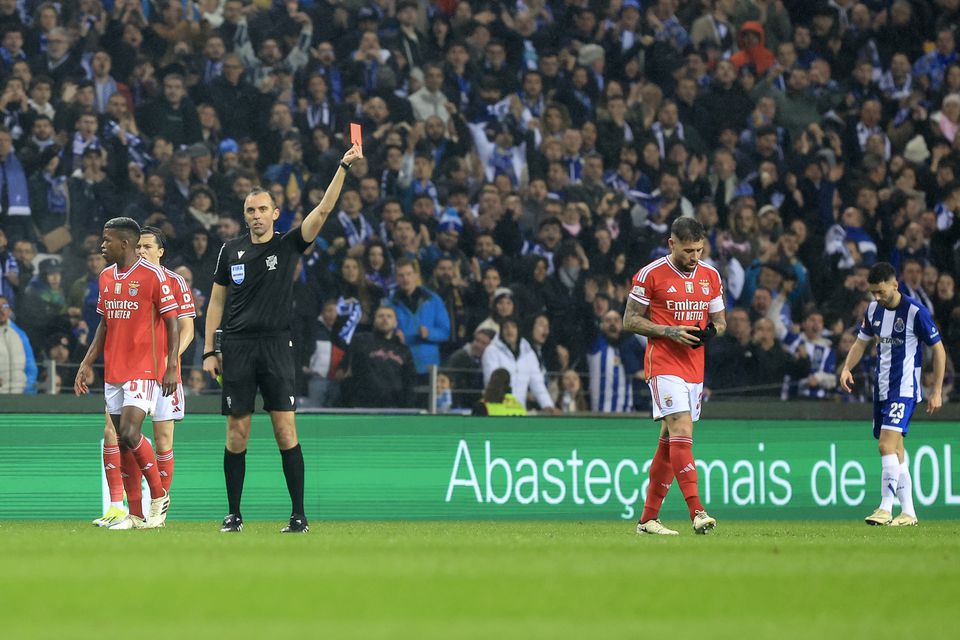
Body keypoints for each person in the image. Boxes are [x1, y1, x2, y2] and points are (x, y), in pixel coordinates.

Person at [202, 143, 362, 534]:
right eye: (250, 211)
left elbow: (323, 210)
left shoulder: (288, 243)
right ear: (245, 217)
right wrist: (210, 350)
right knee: (237, 432)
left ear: (275, 213)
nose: (256, 216)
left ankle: (298, 515)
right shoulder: (230, 251)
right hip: (237, 347)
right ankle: (234, 514)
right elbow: (216, 301)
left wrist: (342, 166)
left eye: (262, 209)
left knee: (285, 429)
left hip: (275, 346)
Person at [74, 217, 180, 530]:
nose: (101, 246)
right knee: (122, 441)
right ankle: (134, 514)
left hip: (144, 367)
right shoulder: (106, 277)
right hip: (114, 369)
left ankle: (158, 498)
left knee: (132, 433)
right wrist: (87, 362)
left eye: (107, 241)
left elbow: (172, 320)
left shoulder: (153, 275)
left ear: (125, 243)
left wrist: (171, 363)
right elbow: (104, 324)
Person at [622, 217, 726, 535]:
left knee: (669, 442)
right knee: (682, 427)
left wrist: (711, 332)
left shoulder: (711, 275)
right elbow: (630, 320)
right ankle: (697, 511)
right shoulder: (651, 274)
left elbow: (720, 321)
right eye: (688, 250)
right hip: (664, 364)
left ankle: (647, 520)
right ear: (672, 244)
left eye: (699, 250)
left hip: (694, 368)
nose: (694, 257)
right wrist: (668, 331)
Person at [92, 227, 196, 528]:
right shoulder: (117, 276)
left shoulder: (173, 281)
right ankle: (122, 509)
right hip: (127, 369)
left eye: (148, 247)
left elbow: (186, 327)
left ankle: (157, 509)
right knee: (117, 432)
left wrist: (170, 361)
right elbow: (108, 323)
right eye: (139, 247)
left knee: (163, 440)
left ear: (161, 251)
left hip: (163, 371)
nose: (142, 252)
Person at [839, 262, 945, 527]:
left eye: (881, 292)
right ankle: (908, 512)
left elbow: (939, 350)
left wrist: (937, 391)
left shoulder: (915, 312)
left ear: (894, 284)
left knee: (885, 445)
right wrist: (846, 368)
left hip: (905, 389)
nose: (877, 297)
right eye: (873, 292)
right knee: (897, 451)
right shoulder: (873, 310)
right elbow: (861, 343)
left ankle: (885, 507)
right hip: (882, 389)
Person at [481, 316, 557, 412]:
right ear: (501, 330)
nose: (510, 330)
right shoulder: (492, 351)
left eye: (513, 327)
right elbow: (493, 382)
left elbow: (538, 384)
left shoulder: (528, 353)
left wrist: (548, 405)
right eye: (506, 327)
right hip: (496, 409)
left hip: (519, 411)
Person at [345, 305, 415, 408]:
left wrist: (407, 406)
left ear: (395, 323)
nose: (385, 319)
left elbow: (409, 380)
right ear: (374, 321)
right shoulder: (361, 340)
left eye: (389, 316)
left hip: (394, 406)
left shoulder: (403, 349)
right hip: (364, 404)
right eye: (380, 316)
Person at [588, 310, 644, 413]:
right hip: (600, 411)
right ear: (601, 325)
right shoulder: (596, 345)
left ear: (622, 325)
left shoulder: (629, 346)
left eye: (616, 320)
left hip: (627, 411)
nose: (612, 324)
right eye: (608, 320)